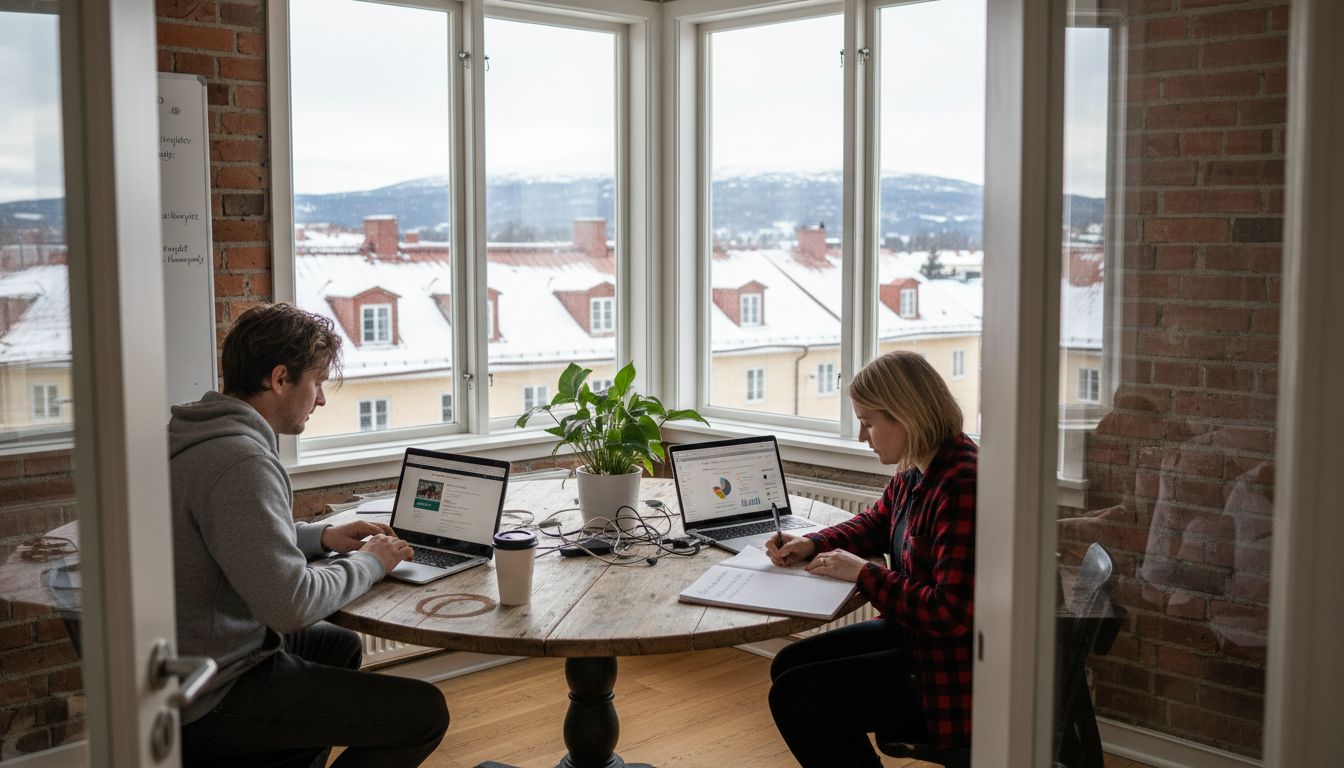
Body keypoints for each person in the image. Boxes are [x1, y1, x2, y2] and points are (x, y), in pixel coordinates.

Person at [169, 303, 449, 767]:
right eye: (316, 383)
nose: (320, 399)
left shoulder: (198, 435)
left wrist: (322, 537)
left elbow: (234, 536)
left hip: (184, 659)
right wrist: (371, 562)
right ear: (280, 379)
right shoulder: (242, 462)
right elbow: (290, 605)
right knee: (424, 713)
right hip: (212, 689)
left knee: (338, 645)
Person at [765, 350, 976, 766]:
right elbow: (876, 524)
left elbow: (951, 613)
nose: (863, 436)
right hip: (916, 640)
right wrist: (813, 543)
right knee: (789, 662)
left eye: (867, 422)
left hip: (949, 673)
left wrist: (865, 573)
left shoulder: (961, 483)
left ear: (906, 415)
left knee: (795, 697)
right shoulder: (919, 466)